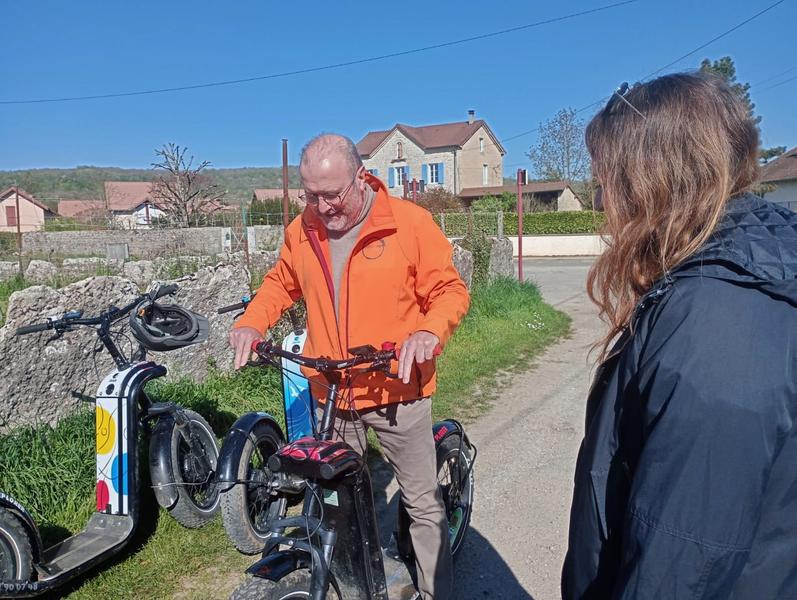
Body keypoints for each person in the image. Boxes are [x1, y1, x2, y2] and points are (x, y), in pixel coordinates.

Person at [562, 72, 797, 599]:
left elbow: (686, 557)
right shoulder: (745, 270)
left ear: (654, 180)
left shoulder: (717, 318)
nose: (602, 203)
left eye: (608, 182)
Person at [229, 133, 470, 599]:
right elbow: (281, 283)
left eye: (332, 194)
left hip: (398, 389)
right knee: (338, 503)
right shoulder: (303, 229)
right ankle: (358, 584)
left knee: (422, 503)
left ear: (361, 177)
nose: (322, 206)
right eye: (311, 195)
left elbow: (450, 291)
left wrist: (428, 333)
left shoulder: (409, 224)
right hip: (334, 393)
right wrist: (252, 323)